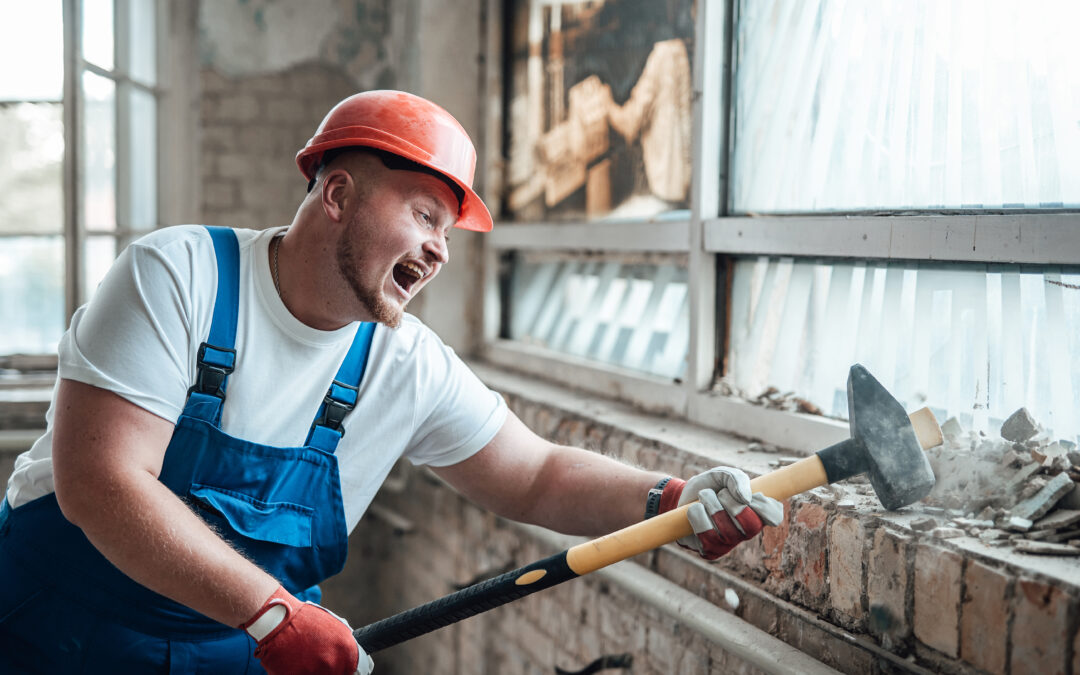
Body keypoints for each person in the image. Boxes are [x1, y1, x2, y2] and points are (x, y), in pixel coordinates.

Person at [0, 90, 783, 674]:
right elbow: (100, 482)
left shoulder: (402, 363)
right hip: (52, 630)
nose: (439, 250)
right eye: (424, 215)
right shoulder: (180, 276)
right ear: (337, 194)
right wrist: (273, 611)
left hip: (234, 648)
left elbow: (535, 474)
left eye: (447, 230)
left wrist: (669, 498)